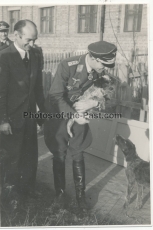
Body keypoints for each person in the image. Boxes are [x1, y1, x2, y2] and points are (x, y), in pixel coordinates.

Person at [44, 41, 117, 212]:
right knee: (59, 153)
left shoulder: (99, 70)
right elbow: (55, 96)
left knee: (78, 151)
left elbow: (107, 95)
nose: (103, 69)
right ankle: (60, 196)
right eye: (102, 64)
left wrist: (93, 102)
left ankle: (80, 198)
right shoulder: (67, 66)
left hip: (80, 114)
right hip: (59, 114)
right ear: (91, 57)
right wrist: (75, 114)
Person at [0, 20, 45, 210]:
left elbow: (38, 88)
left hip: (30, 115)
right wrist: (2, 120)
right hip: (11, 117)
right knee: (12, 157)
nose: (32, 44)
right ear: (16, 35)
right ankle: (11, 194)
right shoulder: (4, 56)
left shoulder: (35, 54)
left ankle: (28, 188)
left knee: (30, 153)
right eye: (28, 40)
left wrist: (43, 114)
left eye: (34, 40)